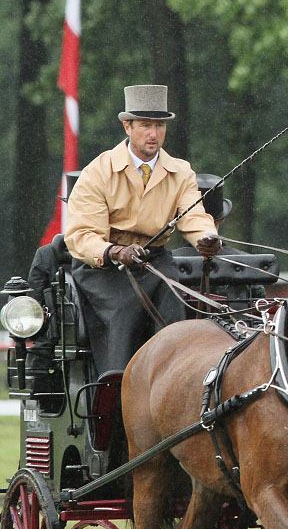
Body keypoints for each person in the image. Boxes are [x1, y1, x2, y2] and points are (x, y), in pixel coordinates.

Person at [65, 85, 221, 377]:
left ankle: (176, 381)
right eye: (145, 125)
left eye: (159, 126)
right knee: (126, 310)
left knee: (176, 308)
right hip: (103, 268)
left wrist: (206, 239)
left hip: (154, 261)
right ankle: (115, 386)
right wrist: (115, 251)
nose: (153, 134)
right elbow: (82, 236)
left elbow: (193, 216)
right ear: (128, 126)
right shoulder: (98, 172)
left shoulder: (180, 172)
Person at [173, 173, 266, 312]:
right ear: (222, 219)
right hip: (236, 330)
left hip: (175, 332)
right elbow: (260, 309)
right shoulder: (248, 264)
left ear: (180, 220)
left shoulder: (165, 264)